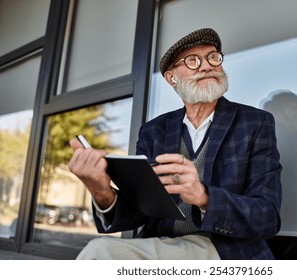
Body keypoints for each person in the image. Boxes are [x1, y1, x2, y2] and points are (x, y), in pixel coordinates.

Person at [68, 28, 282, 260]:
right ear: (172, 78)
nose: (206, 65)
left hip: (224, 251)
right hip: (163, 245)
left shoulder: (254, 123)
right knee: (101, 250)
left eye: (212, 57)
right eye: (192, 60)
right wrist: (102, 192)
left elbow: (267, 217)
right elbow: (139, 213)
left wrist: (203, 196)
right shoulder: (153, 131)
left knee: (100, 253)